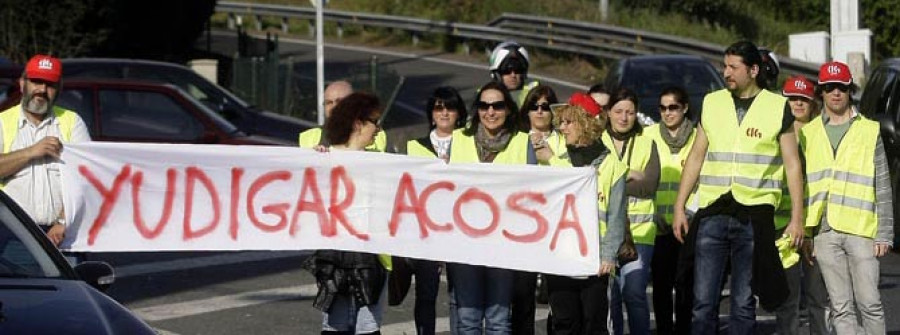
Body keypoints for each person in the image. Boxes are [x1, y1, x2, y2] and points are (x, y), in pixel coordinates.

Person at [671, 41, 805, 334]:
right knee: (703, 302)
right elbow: (696, 155)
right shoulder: (712, 102)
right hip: (713, 211)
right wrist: (680, 206)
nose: (726, 72)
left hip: (755, 216)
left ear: (754, 70)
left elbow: (793, 165)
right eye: (725, 65)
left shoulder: (777, 107)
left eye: (733, 67)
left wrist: (797, 219)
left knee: (744, 303)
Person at [801, 61, 894, 335]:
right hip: (824, 232)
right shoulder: (809, 133)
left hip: (861, 230)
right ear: (821, 93)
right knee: (841, 307)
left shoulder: (869, 130)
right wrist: (807, 233)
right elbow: (805, 186)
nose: (836, 93)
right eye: (829, 88)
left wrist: (884, 233)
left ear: (850, 90)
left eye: (841, 87)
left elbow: (883, 183)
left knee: (870, 304)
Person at [447, 81, 536, 335]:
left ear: (508, 109)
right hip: (465, 241)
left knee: (498, 320)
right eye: (484, 106)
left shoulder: (521, 141)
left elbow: (533, 192)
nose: (491, 111)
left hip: (504, 242)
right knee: (468, 319)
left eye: (497, 105)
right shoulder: (459, 139)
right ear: (477, 110)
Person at [307, 92, 391, 335]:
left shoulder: (381, 161)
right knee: (335, 324)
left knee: (368, 326)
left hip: (373, 257)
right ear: (358, 123)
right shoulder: (323, 158)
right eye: (375, 122)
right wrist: (313, 163)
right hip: (335, 256)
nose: (378, 129)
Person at [545, 93, 626, 335]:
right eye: (561, 122)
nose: (562, 127)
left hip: (596, 261)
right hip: (561, 258)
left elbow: (616, 216)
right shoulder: (556, 163)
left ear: (586, 124)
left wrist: (609, 256)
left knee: (594, 325)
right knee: (564, 324)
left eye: (569, 122)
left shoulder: (613, 166)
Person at [0, 54, 91, 251]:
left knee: (71, 282)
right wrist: (31, 152)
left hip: (63, 236)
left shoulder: (72, 121)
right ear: (22, 83)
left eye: (49, 84)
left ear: (59, 88)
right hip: (12, 236)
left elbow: (86, 179)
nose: (41, 90)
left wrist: (62, 222)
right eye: (36, 81)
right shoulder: (2, 121)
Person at [401, 86, 468, 335]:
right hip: (426, 231)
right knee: (426, 294)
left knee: (458, 295)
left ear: (459, 113)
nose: (444, 112)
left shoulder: (470, 146)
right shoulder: (413, 146)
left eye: (450, 107)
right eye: (439, 107)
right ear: (431, 114)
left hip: (462, 229)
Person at [773, 75, 831, 335]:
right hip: (781, 226)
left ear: (813, 103)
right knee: (787, 299)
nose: (797, 104)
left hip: (816, 226)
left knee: (818, 298)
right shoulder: (774, 133)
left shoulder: (823, 134)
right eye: (792, 99)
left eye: (803, 99)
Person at [602, 88, 659, 335]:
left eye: (630, 112)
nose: (624, 118)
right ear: (608, 113)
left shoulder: (648, 142)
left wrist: (613, 180)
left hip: (641, 231)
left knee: (634, 292)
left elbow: (648, 185)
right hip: (605, 233)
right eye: (618, 111)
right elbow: (591, 180)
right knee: (611, 295)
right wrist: (629, 174)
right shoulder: (597, 141)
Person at [645, 86, 695, 335]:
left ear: (684, 108)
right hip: (658, 226)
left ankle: (684, 330)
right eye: (663, 108)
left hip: (689, 224)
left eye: (673, 107)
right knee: (662, 287)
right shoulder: (649, 135)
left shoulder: (698, 138)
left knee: (686, 285)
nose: (667, 113)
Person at [299, 80, 386, 151]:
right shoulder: (308, 138)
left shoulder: (377, 135)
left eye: (339, 102)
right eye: (329, 103)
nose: (334, 107)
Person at [489, 41, 539, 108]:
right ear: (496, 74)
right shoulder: (484, 97)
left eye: (518, 70)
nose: (513, 75)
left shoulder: (535, 93)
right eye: (506, 71)